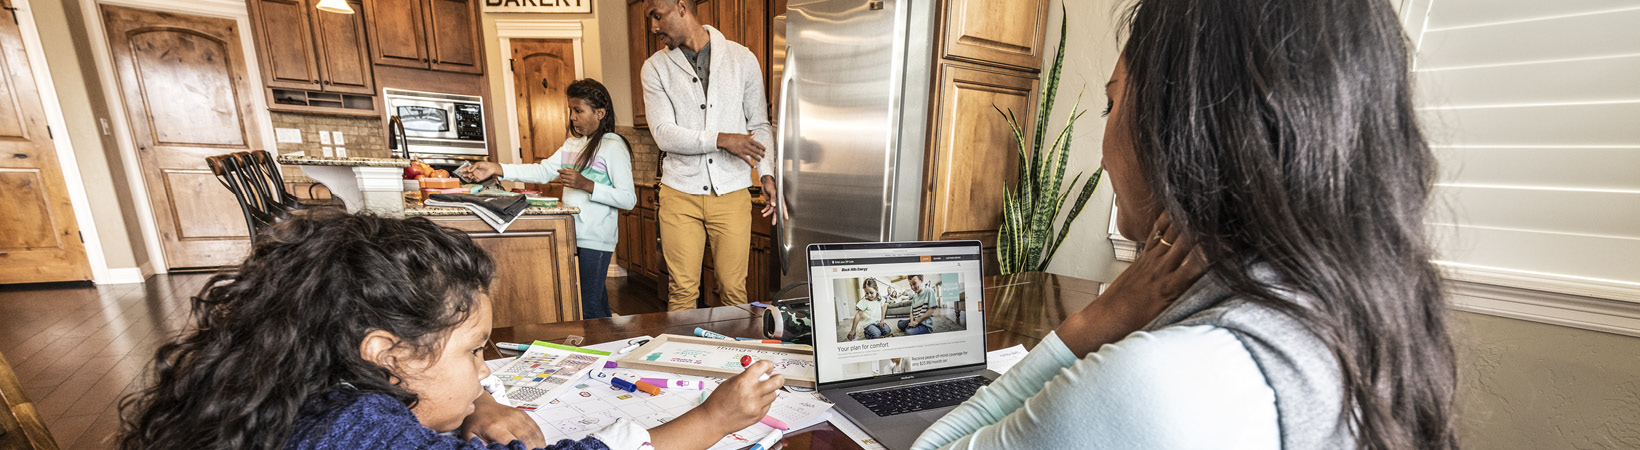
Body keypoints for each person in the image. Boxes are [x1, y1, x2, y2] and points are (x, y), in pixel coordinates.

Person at [912, 0, 1459, 449]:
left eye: (1110, 106)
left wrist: (1097, 320)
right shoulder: (1358, 323)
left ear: (1175, 127)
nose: (1102, 152)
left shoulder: (1161, 384)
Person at [115, 210, 785, 450]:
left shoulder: (301, 389)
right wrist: (713, 420)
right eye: (474, 351)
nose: (488, 369)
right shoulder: (355, 434)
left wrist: (472, 400)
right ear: (386, 355)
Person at [639, 0, 780, 311]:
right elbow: (663, 132)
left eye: (657, 16)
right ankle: (682, 359)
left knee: (733, 291)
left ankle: (735, 359)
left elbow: (758, 123)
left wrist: (767, 173)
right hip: (679, 193)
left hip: (731, 192)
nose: (653, 28)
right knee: (682, 293)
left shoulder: (741, 58)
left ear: (680, 7)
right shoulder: (654, 68)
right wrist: (721, 139)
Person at [460, 79, 636, 319]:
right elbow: (542, 171)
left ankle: (602, 351)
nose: (573, 117)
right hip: (569, 233)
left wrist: (587, 184)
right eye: (571, 110)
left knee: (589, 305)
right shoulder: (572, 145)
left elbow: (628, 199)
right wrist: (496, 168)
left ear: (600, 113)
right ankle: (607, 346)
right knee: (585, 301)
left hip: (596, 238)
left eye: (578, 110)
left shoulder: (613, 146)